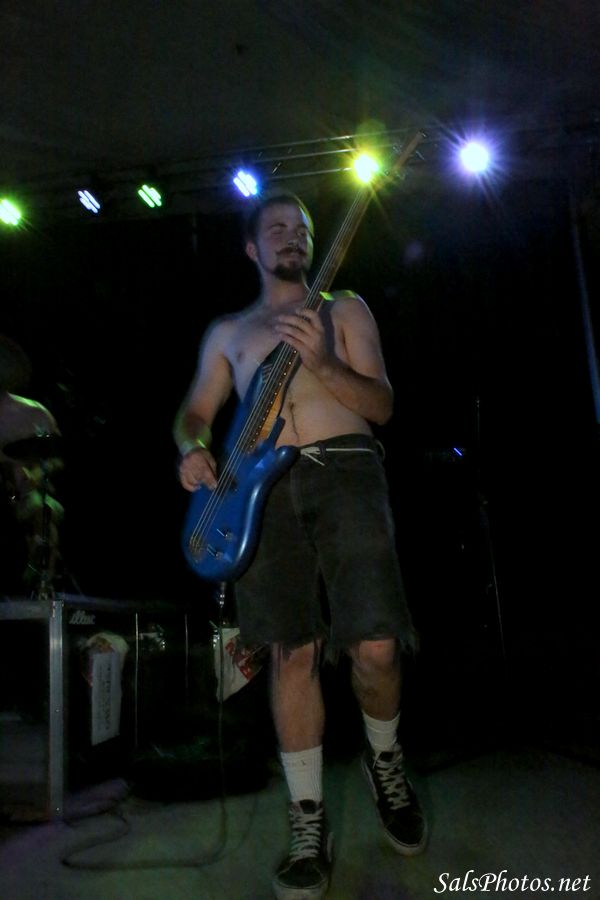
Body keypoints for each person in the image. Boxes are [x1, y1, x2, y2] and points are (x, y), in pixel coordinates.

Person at [174, 192, 426, 899]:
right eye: (277, 229)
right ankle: (308, 821)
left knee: (377, 644)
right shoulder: (228, 331)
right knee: (291, 651)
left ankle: (385, 761)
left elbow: (381, 406)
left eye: (302, 229)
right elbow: (194, 412)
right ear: (252, 249)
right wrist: (191, 449)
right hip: (261, 493)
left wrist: (325, 363)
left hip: (347, 470)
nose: (292, 237)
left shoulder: (345, 309)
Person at [0, 335, 64, 592]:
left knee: (43, 509)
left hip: (26, 494)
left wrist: (35, 476)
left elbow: (56, 457)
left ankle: (40, 580)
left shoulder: (33, 413)